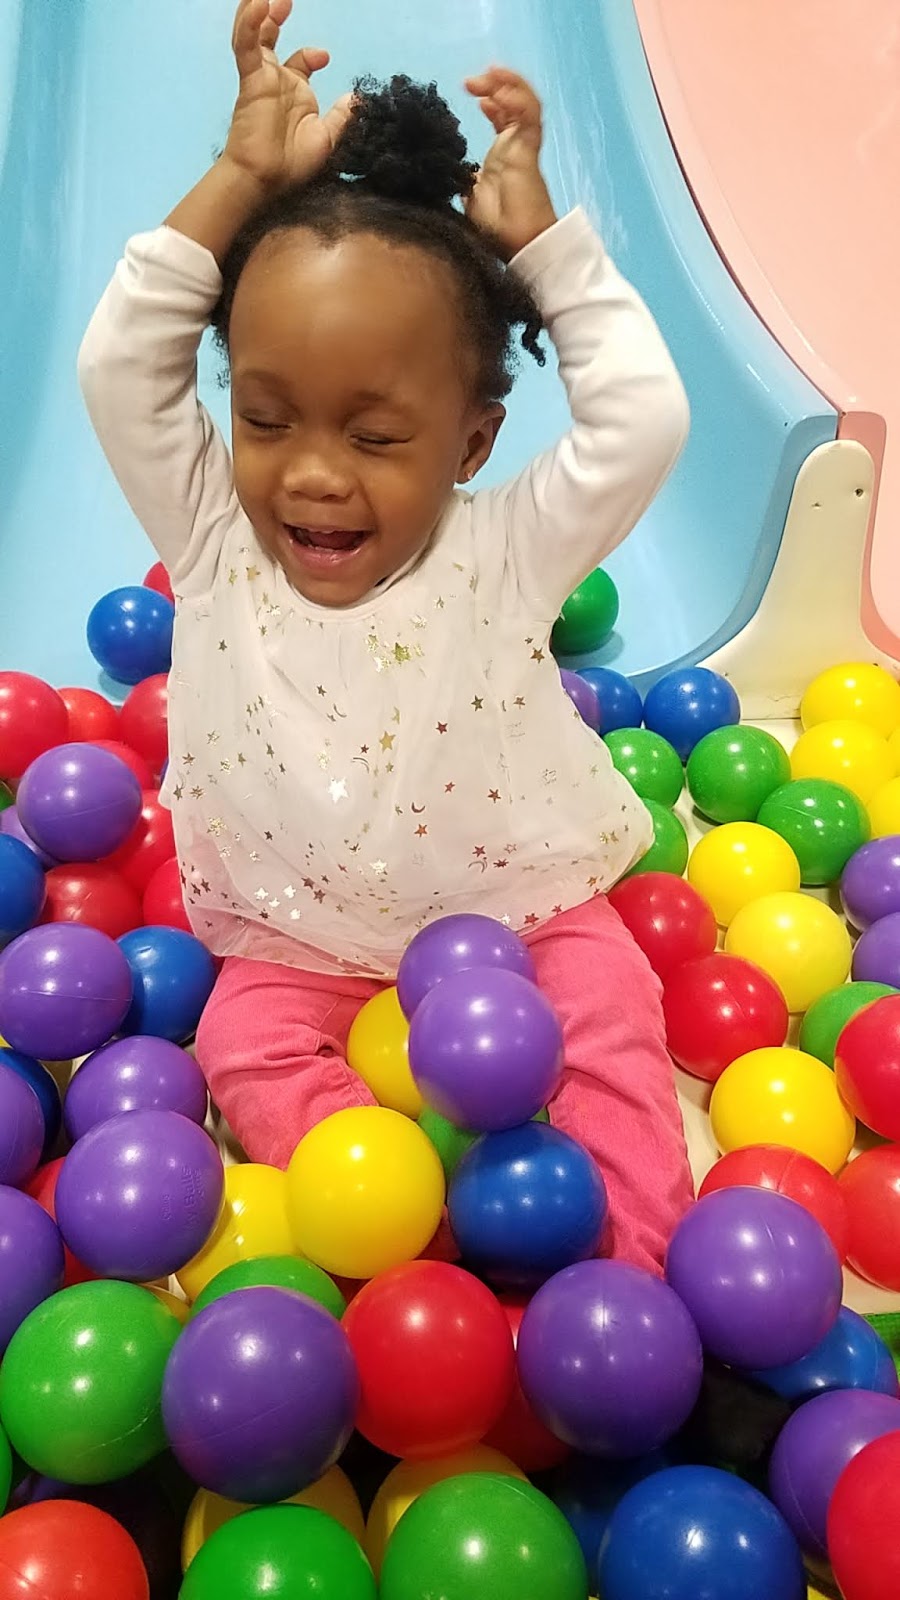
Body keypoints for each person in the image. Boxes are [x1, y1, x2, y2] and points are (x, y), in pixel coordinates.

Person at [79, 0, 693, 1274]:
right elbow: (119, 363)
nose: (313, 472)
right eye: (267, 420)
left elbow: (643, 420)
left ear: (472, 442)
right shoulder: (212, 537)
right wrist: (241, 175)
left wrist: (551, 257)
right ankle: (413, 1254)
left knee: (609, 1010)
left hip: (518, 904)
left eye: (373, 436)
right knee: (241, 1043)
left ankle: (626, 1276)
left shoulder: (504, 550)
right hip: (302, 929)